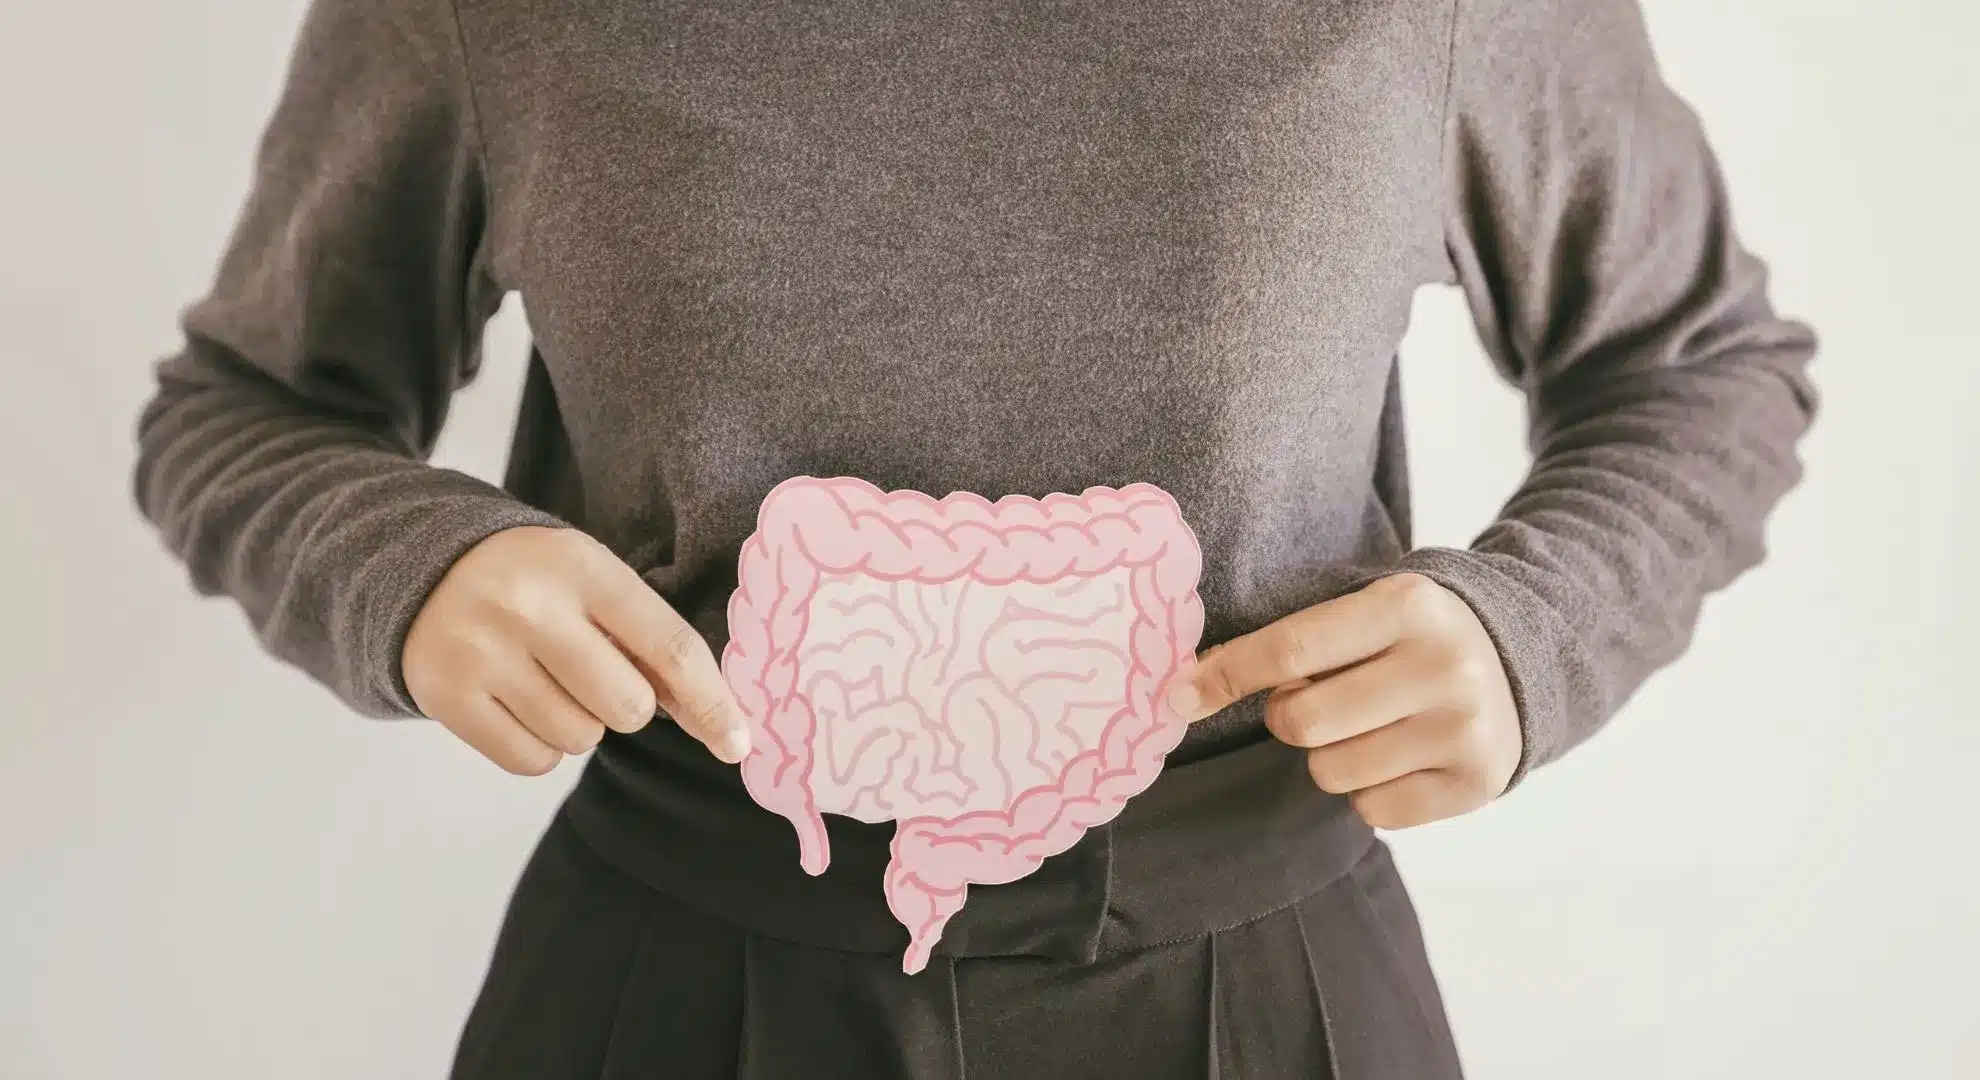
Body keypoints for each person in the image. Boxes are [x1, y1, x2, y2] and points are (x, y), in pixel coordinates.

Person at [131, 0, 1817, 1076]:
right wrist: (404, 565)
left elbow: (1699, 367)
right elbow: (246, 403)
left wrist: (1543, 624)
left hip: (1268, 973)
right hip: (677, 965)